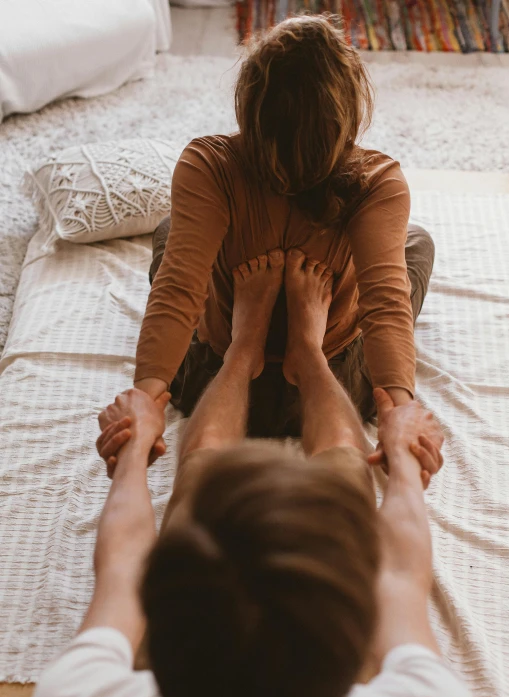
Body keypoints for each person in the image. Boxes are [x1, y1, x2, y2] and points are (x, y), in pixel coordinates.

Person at [30, 252, 476, 697]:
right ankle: (307, 352)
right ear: (358, 649)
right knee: (342, 495)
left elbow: (123, 564)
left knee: (205, 493)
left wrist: (135, 445)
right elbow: (401, 576)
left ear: (155, 647)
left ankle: (244, 349)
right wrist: (401, 458)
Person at [118, 13, 435, 476]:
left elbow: (177, 291)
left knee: (171, 233)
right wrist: (396, 411)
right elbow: (385, 306)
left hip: (212, 382)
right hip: (337, 387)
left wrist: (144, 403)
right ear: (346, 110)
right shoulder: (378, 181)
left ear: (250, 103)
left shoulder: (207, 166)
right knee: (416, 244)